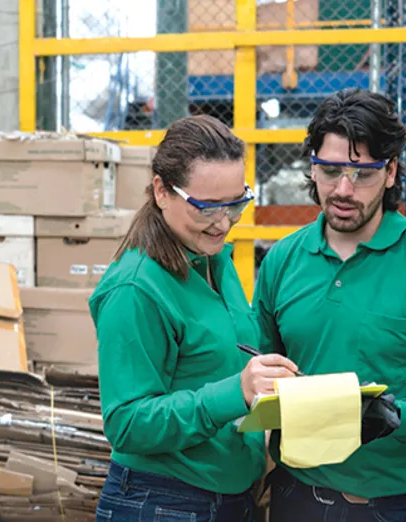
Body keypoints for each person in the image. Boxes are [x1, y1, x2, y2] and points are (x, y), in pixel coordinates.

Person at [253, 88, 406, 522]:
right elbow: (258, 367)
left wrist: (396, 415)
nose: (343, 189)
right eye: (330, 170)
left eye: (362, 174)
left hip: (392, 507)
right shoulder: (282, 260)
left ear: (391, 171)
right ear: (313, 167)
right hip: (295, 497)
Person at [90, 115, 299, 522]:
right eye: (206, 207)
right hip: (164, 501)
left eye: (236, 204)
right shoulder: (136, 289)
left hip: (229, 496)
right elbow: (126, 423)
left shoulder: (213, 259)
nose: (224, 223)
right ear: (162, 191)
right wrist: (235, 393)